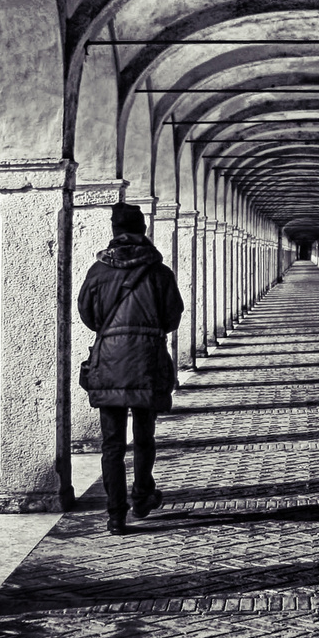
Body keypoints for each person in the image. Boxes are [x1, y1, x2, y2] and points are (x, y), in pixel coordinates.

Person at [78, 202, 184, 535]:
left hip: (109, 360)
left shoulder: (98, 271)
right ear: (143, 230)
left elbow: (88, 315)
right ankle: (141, 496)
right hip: (146, 361)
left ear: (114, 231)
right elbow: (172, 317)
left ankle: (115, 514)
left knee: (111, 443)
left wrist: (112, 334)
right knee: (143, 436)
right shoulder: (159, 272)